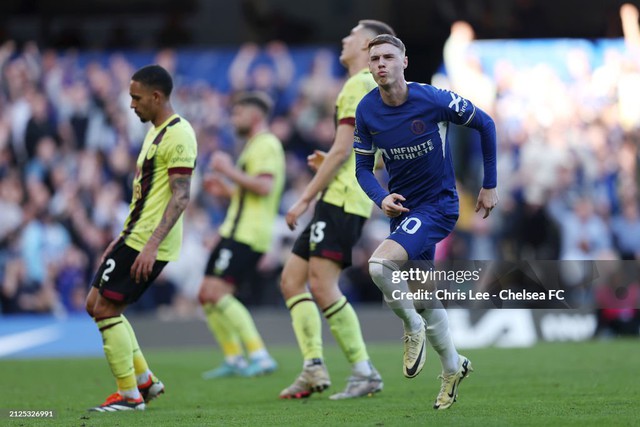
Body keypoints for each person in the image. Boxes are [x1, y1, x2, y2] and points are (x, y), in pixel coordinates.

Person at [354, 34, 498, 410]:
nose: (380, 64)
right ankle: (453, 366)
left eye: (388, 57)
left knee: (379, 264)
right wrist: (380, 196)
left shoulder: (433, 99)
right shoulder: (367, 110)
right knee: (424, 296)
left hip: (437, 206)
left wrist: (489, 185)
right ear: (368, 68)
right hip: (402, 210)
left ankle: (411, 327)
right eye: (374, 59)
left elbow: (485, 123)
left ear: (404, 62)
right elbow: (362, 168)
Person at [278, 19, 395, 400]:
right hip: (345, 196)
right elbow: (369, 155)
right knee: (292, 281)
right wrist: (330, 158)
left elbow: (345, 150)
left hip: (341, 199)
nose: (343, 40)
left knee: (321, 284)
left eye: (350, 36)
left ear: (364, 46)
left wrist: (304, 197)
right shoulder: (370, 88)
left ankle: (364, 371)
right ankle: (313, 367)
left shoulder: (356, 85)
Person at [85, 64, 197, 411]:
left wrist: (150, 246)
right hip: (132, 236)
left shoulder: (178, 134)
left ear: (156, 96)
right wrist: (119, 238)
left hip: (146, 242)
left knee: (105, 309)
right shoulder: (155, 130)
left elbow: (180, 196)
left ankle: (131, 396)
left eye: (136, 98)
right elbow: (146, 194)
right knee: (96, 304)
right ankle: (145, 381)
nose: (131, 104)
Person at [198, 92, 284, 378]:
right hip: (235, 229)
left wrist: (228, 170)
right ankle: (234, 358)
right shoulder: (253, 146)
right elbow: (251, 193)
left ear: (254, 115)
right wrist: (227, 191)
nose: (233, 118)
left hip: (247, 233)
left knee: (216, 292)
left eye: (238, 113)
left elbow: (264, 188)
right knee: (206, 295)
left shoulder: (266, 144)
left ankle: (259, 355)